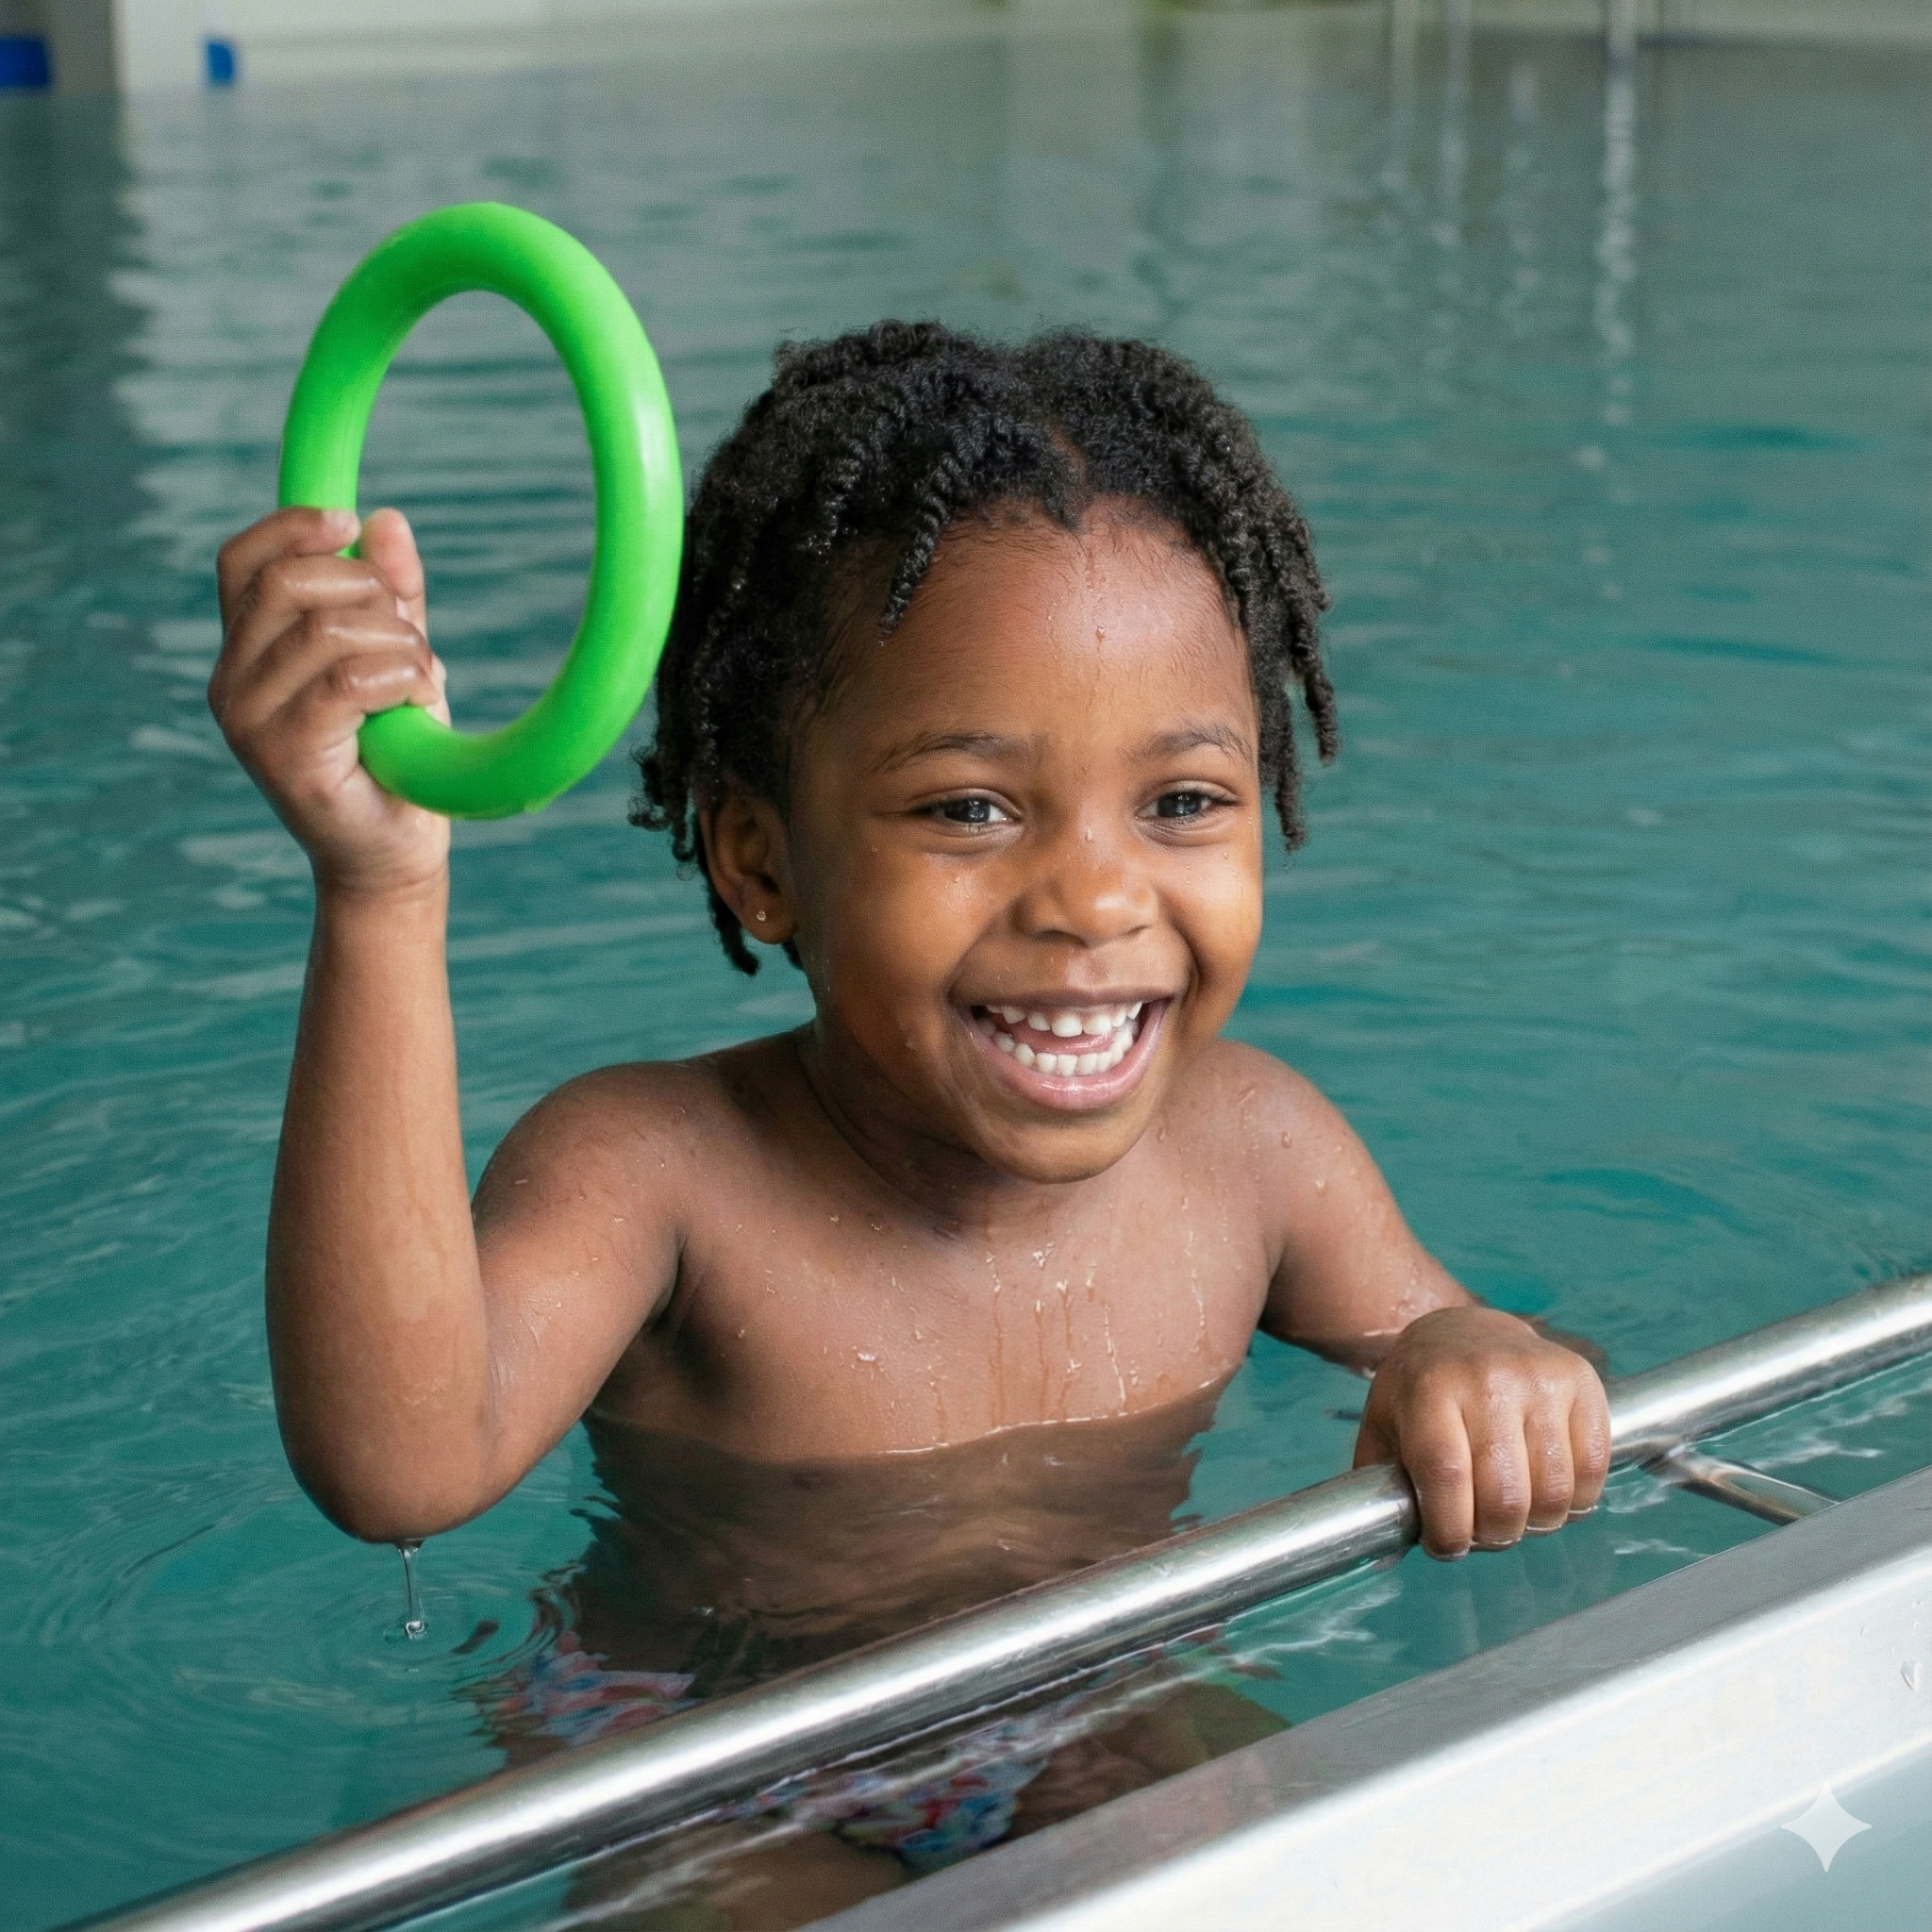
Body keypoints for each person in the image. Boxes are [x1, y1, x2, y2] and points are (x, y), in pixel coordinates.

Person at [210, 323, 1610, 1924]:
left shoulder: (1257, 1149)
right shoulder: (658, 1172)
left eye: (1182, 803)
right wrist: (381, 889)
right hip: (695, 1750)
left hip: (1098, 1707)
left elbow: (1451, 1341)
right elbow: (397, 1463)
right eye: (968, 807)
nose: (1094, 898)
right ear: (761, 864)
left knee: (1304, 1874)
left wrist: (1470, 1357)